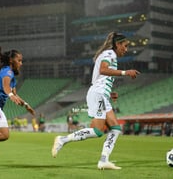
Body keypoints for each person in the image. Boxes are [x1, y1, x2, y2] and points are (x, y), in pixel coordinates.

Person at [51, 32, 140, 170]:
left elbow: (100, 78)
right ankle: (63, 140)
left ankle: (104, 160)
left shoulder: (110, 55)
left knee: (116, 128)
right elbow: (103, 70)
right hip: (98, 94)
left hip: (102, 94)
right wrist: (125, 72)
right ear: (118, 44)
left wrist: (110, 92)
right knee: (98, 131)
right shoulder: (109, 54)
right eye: (125, 46)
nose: (126, 49)